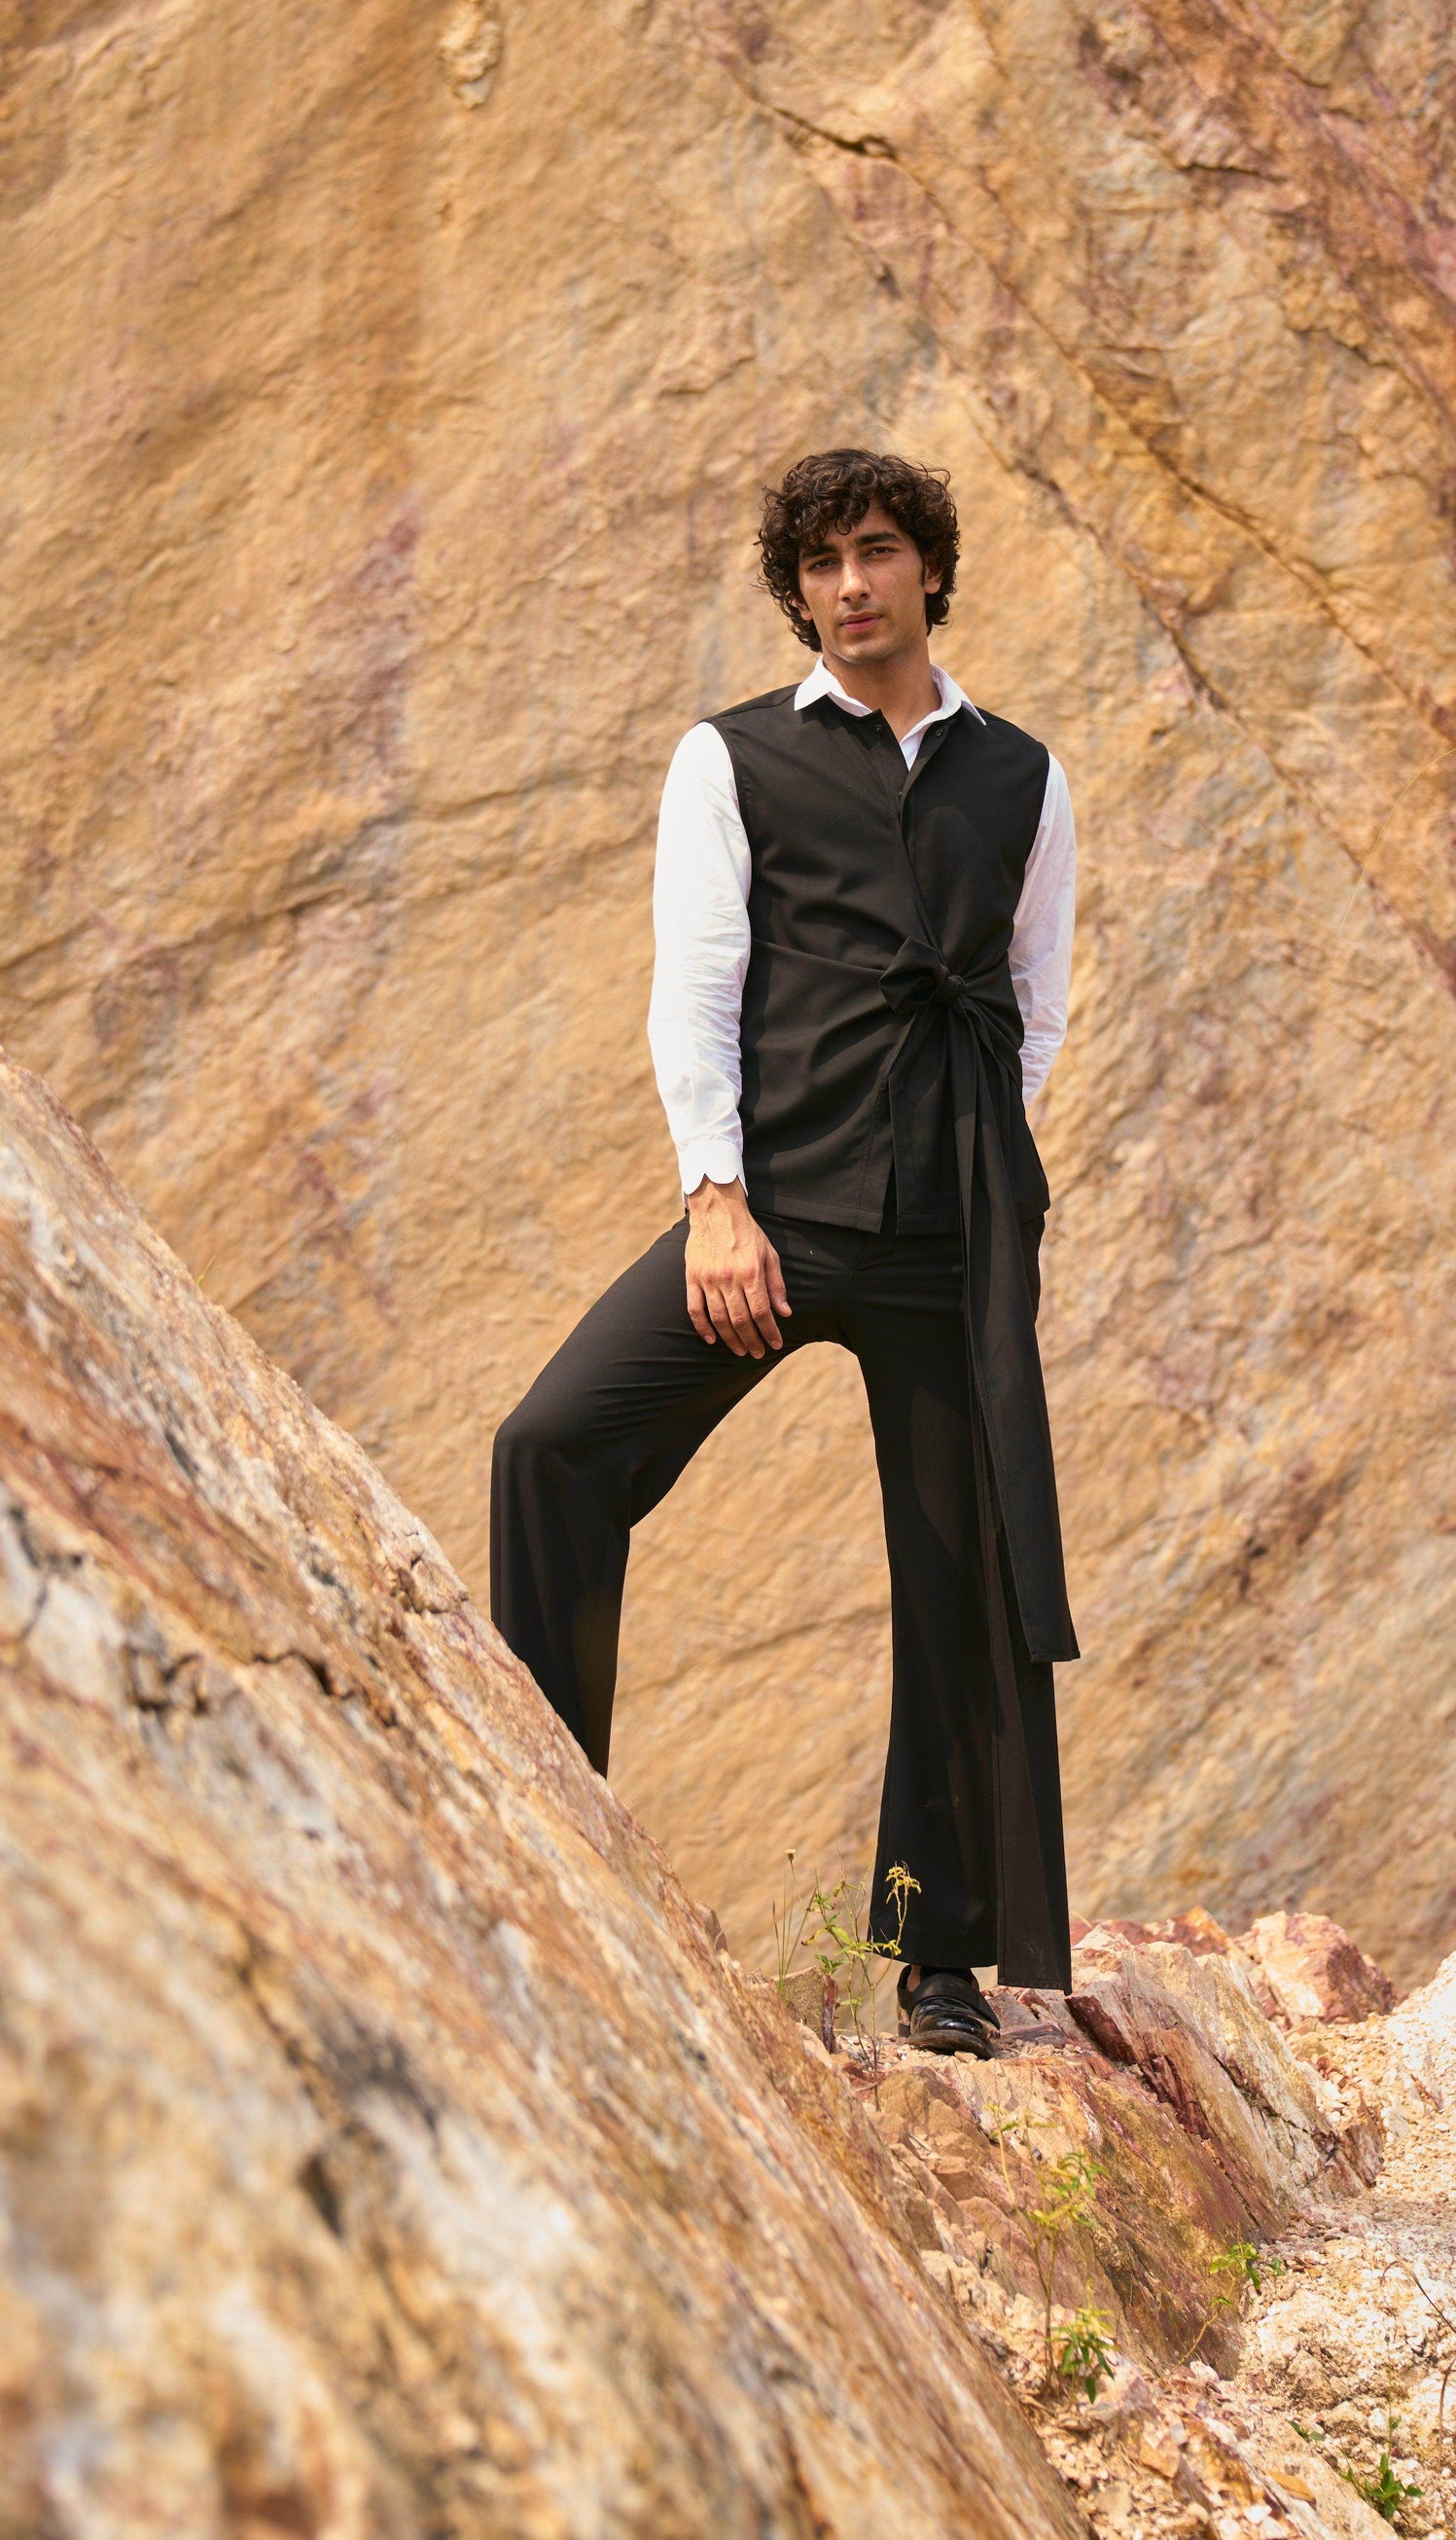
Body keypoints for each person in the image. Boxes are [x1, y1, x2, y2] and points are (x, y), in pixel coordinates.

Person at [490, 447, 1079, 2054]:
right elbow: (693, 988)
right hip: (776, 1216)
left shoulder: (1023, 777)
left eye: (875, 551)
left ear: (928, 568)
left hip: (949, 1237)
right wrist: (715, 1199)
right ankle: (543, 1840)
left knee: (957, 1581)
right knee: (552, 1447)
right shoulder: (731, 758)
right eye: (818, 564)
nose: (849, 585)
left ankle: (939, 1960)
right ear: (795, 590)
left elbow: (1033, 1007)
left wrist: (976, 1167)